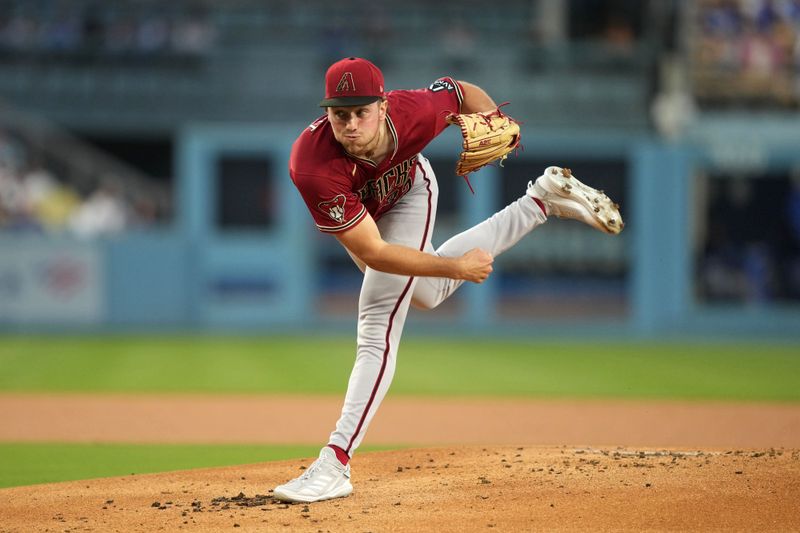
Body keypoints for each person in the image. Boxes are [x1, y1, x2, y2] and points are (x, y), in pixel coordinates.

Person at [274, 57, 623, 503]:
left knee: (377, 321)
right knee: (429, 293)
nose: (351, 123)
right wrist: (456, 268)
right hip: (368, 224)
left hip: (409, 193)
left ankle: (335, 461)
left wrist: (495, 118)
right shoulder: (312, 164)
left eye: (362, 110)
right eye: (340, 113)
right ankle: (540, 201)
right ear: (327, 113)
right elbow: (374, 252)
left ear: (383, 106)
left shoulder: (412, 111)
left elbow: (459, 91)